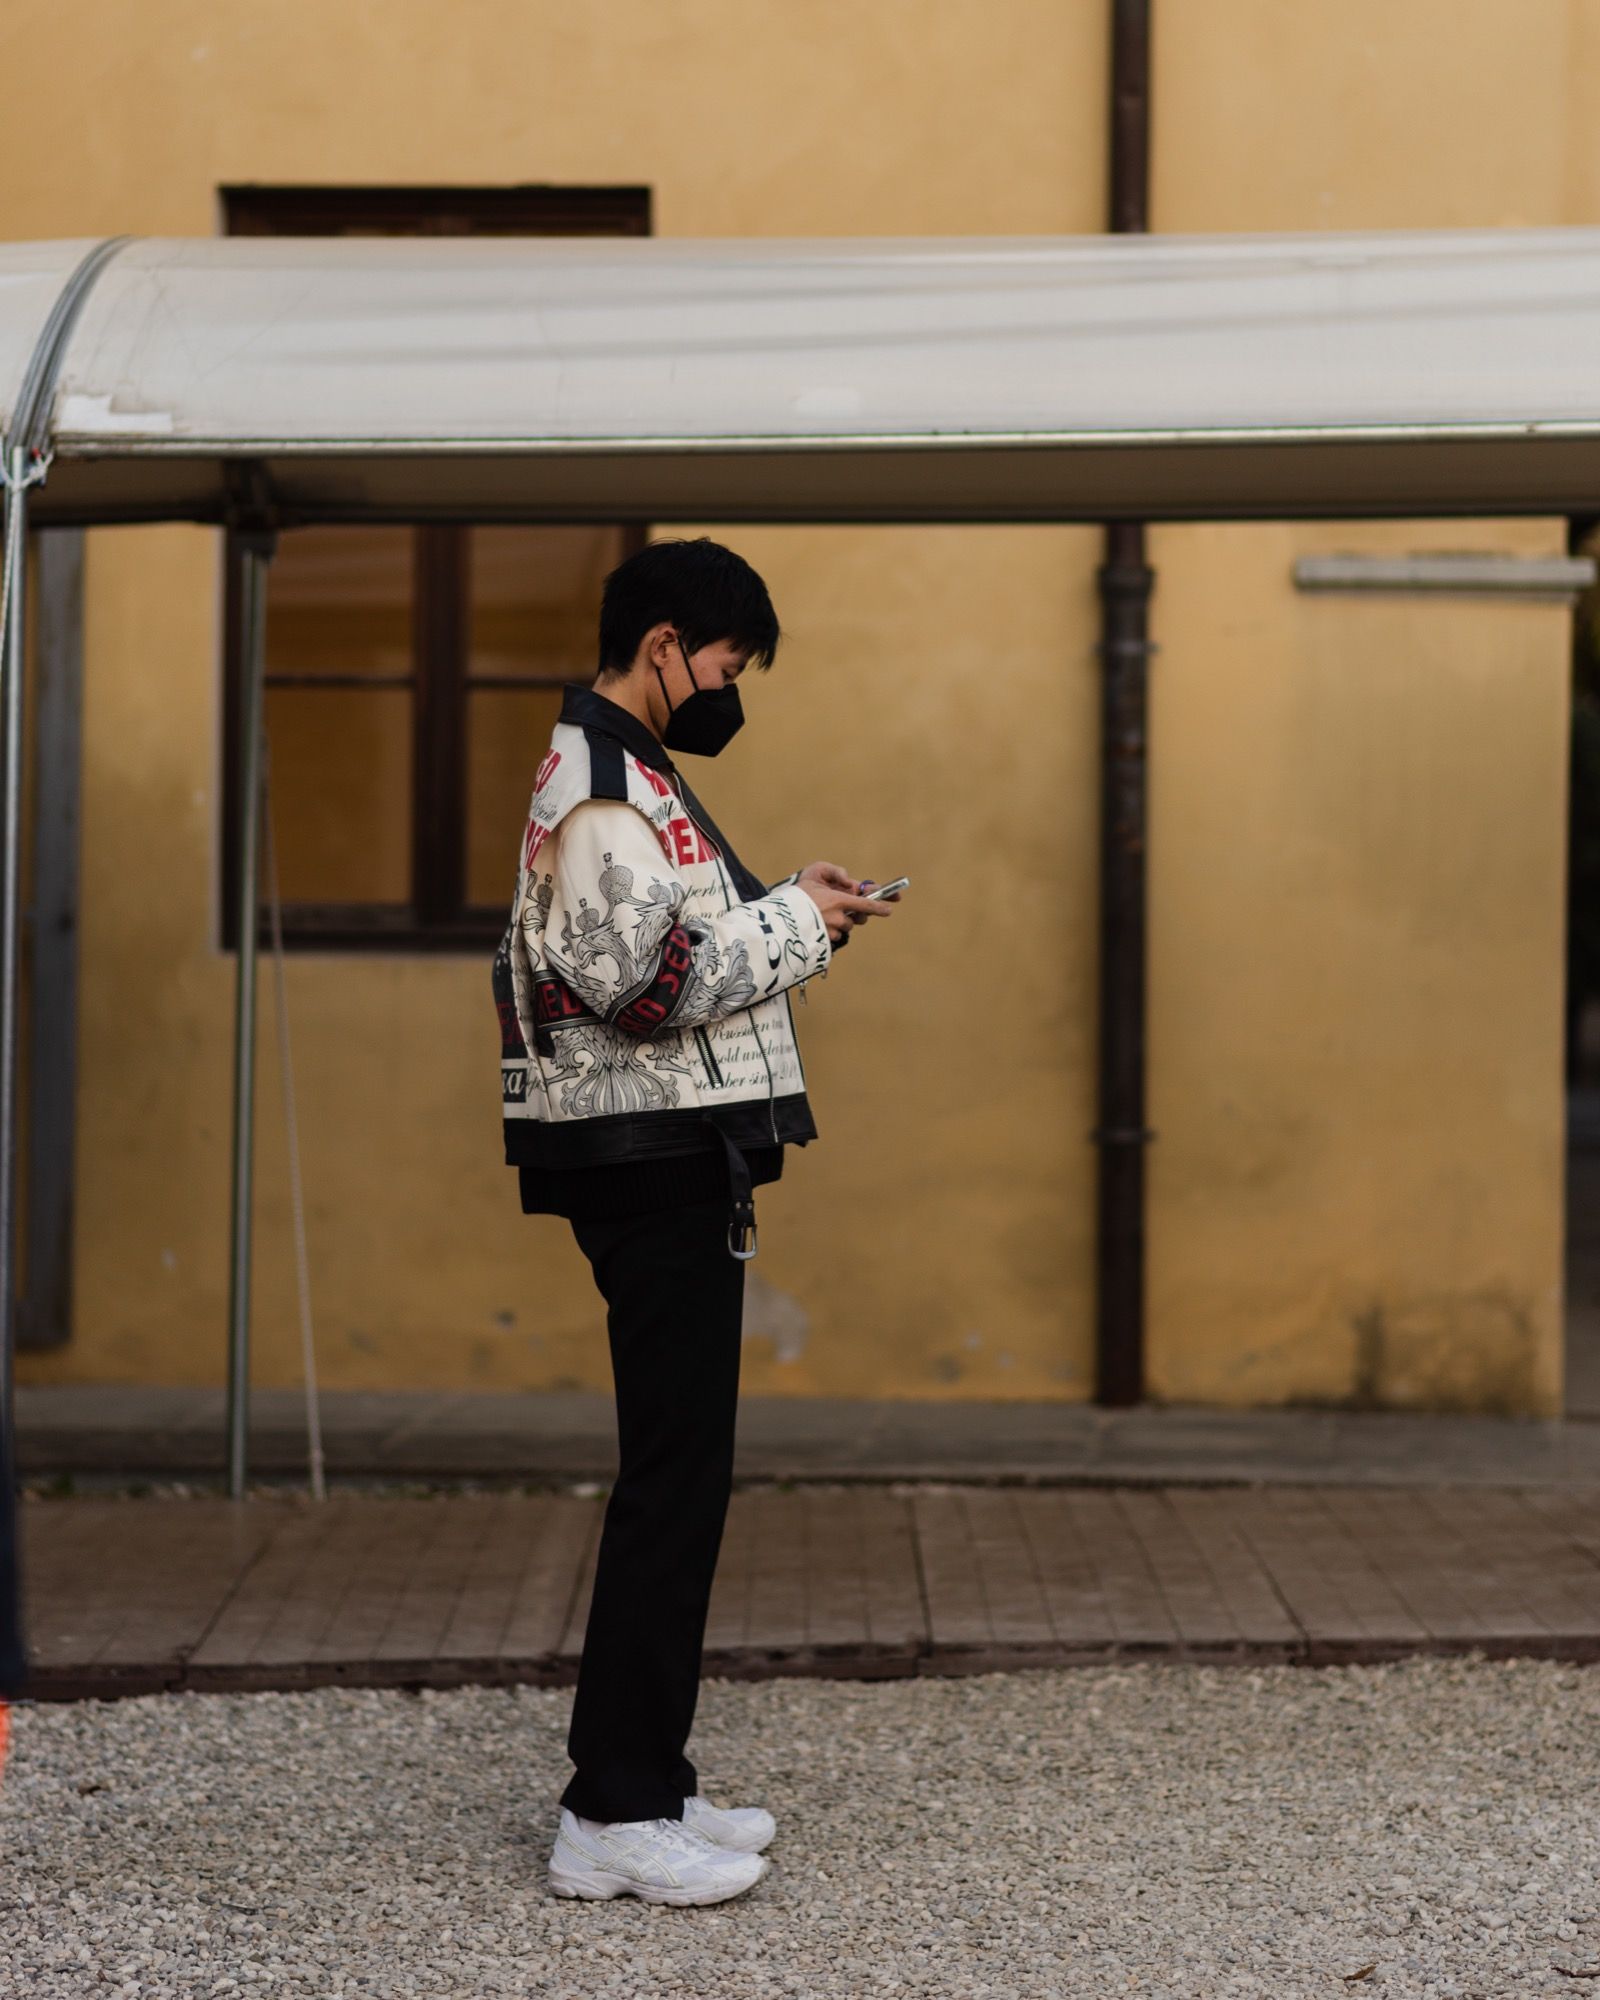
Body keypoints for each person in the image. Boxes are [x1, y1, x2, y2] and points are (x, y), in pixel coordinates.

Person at [491, 537, 895, 1907]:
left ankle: (649, 1783)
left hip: (667, 1155)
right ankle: (610, 1811)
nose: (731, 687)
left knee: (683, 1477)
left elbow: (662, 952)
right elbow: (646, 986)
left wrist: (786, 907)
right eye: (727, 661)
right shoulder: (603, 787)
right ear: (665, 645)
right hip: (649, 1160)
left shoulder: (627, 771)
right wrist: (803, 926)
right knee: (672, 1482)